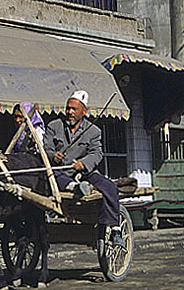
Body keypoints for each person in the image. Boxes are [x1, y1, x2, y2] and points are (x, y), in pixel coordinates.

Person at [43, 91, 125, 247]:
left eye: (74, 109)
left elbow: (97, 153)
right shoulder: (54, 126)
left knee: (110, 187)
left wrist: (84, 163)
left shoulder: (94, 131)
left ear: (84, 111)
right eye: (68, 108)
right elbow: (46, 148)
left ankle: (115, 229)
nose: (70, 112)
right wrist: (53, 155)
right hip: (61, 173)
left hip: (85, 174)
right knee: (49, 174)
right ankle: (75, 187)